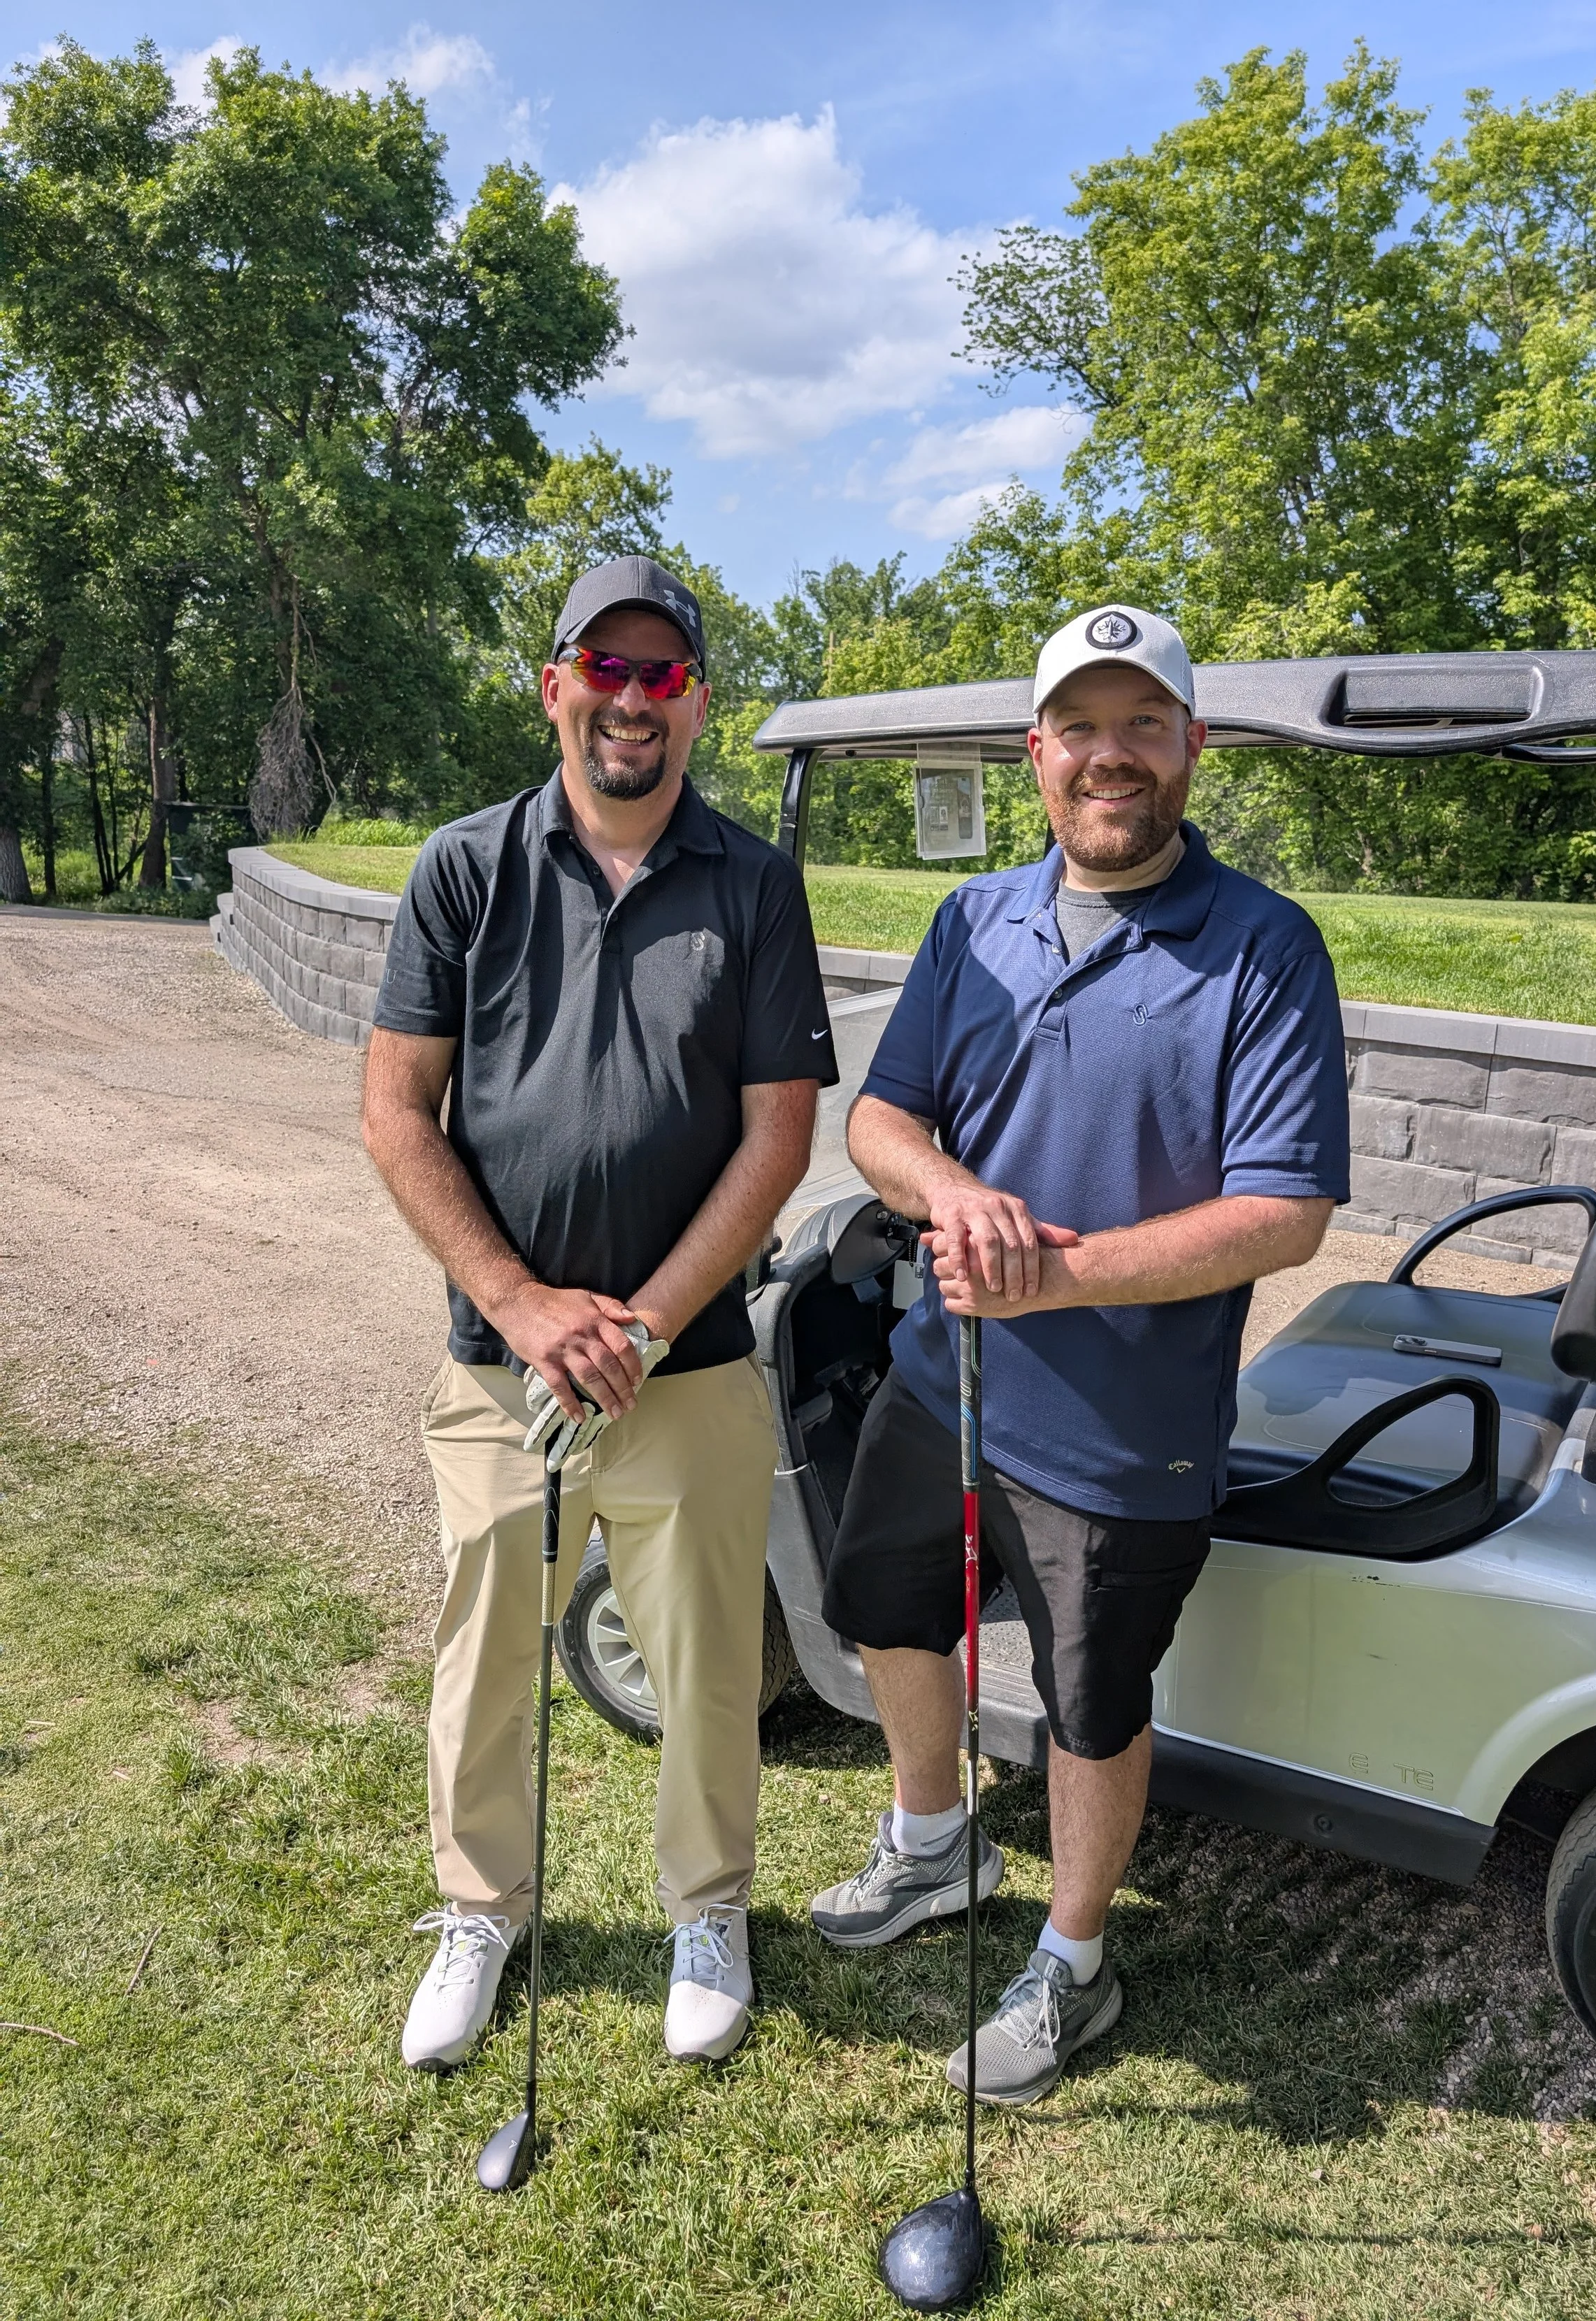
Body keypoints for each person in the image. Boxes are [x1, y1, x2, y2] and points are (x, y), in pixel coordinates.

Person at [810, 604, 1349, 2104]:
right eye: (1079, 730)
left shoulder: (1262, 949)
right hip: (942, 1380)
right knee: (889, 1609)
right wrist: (950, 1193)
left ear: (1189, 747)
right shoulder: (968, 920)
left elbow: (1284, 1213)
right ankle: (932, 1842)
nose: (1107, 757)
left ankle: (1071, 1958)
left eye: (1140, 726)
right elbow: (878, 1120)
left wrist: (1049, 1276)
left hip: (1125, 1430)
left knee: (1088, 1703)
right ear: (1035, 754)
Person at [362, 554, 837, 2070]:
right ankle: (479, 1910)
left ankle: (708, 1908)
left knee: (705, 1658)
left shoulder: (753, 882)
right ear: (554, 683)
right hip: (498, 1370)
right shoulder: (463, 867)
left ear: (695, 701)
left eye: (664, 675)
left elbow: (776, 1132)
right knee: (484, 1647)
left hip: (685, 1364)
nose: (633, 700)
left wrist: (635, 1321)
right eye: (605, 669)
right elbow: (395, 1108)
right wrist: (516, 1299)